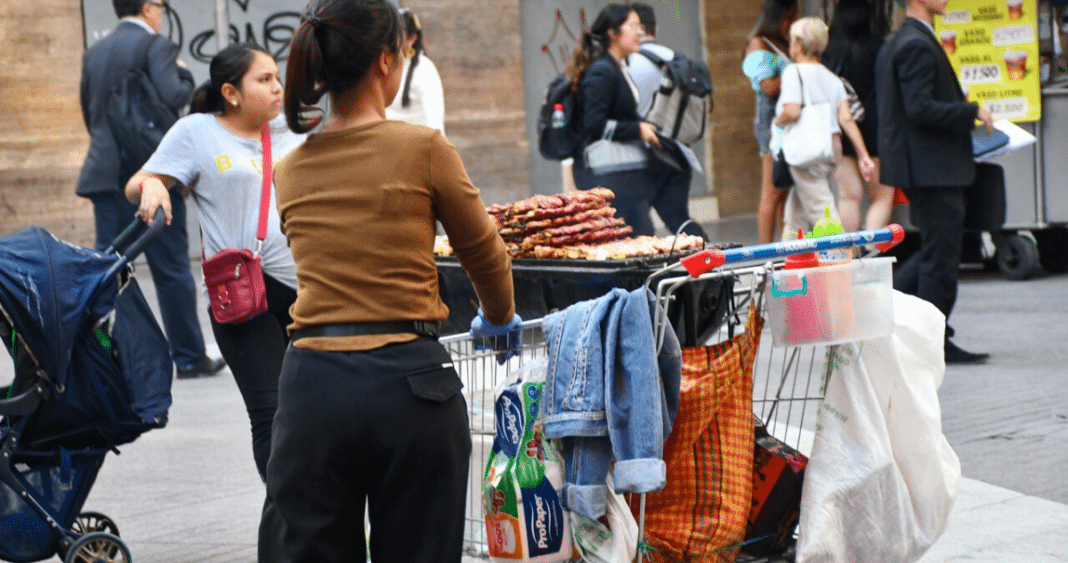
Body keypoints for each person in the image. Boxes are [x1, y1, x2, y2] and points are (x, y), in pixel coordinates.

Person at [257, 1, 519, 561]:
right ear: (385, 62)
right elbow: (486, 255)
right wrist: (499, 318)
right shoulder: (423, 148)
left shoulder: (290, 168)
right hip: (412, 387)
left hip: (313, 387)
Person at [124, 43, 305, 481]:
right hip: (243, 295)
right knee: (271, 414)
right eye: (263, 80)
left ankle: (312, 515)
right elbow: (138, 182)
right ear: (231, 92)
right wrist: (152, 188)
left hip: (309, 293)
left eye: (277, 78)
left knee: (311, 413)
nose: (277, 88)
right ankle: (286, 516)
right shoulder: (197, 132)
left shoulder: (295, 130)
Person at [77, 0, 224, 380]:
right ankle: (189, 356)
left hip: (106, 173)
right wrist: (186, 76)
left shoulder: (94, 51)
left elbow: (88, 111)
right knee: (171, 267)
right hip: (151, 174)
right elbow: (175, 96)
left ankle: (99, 357)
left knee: (105, 268)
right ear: (147, 9)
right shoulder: (157, 46)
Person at [876, 0, 994, 364]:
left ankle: (894, 315)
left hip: (926, 167)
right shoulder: (914, 43)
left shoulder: (901, 41)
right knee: (940, 257)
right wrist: (970, 111)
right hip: (932, 169)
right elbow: (919, 107)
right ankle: (931, 340)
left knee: (934, 251)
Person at [567, 3, 663, 236]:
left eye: (641, 27)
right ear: (613, 33)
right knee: (628, 244)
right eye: (633, 26)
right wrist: (636, 130)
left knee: (637, 243)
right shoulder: (602, 71)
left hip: (624, 179)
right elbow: (593, 124)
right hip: (608, 178)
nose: (640, 32)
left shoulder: (616, 67)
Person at [773, 17, 874, 238]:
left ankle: (841, 256)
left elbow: (792, 111)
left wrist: (777, 121)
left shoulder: (793, 73)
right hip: (830, 148)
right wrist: (863, 154)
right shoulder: (833, 79)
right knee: (797, 209)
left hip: (806, 148)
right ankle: (793, 255)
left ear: (799, 44)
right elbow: (847, 119)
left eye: (791, 40)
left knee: (822, 208)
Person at [626, 2, 709, 239]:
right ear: (656, 29)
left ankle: (644, 275)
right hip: (677, 150)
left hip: (643, 154)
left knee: (635, 225)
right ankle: (711, 266)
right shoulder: (676, 59)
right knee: (679, 219)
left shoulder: (627, 63)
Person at [822, 0, 895, 232]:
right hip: (875, 131)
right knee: (881, 197)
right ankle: (870, 249)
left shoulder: (828, 50)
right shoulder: (878, 47)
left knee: (848, 198)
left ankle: (849, 255)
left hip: (841, 131)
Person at [743, 0, 798, 243]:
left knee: (784, 192)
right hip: (771, 122)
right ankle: (765, 252)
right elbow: (768, 86)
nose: (790, 24)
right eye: (787, 18)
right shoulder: (757, 44)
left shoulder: (781, 42)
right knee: (771, 192)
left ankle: (785, 251)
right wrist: (799, 73)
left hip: (787, 121)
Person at [384, 7, 446, 134]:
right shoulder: (382, 64)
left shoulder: (424, 69)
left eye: (396, 34)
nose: (390, 39)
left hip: (415, 147)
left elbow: (435, 123)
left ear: (412, 39)